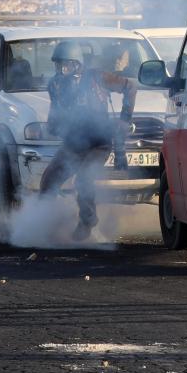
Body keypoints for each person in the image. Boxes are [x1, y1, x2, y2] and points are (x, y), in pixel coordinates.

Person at [40, 40, 137, 242]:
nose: (60, 69)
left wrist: (124, 119)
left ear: (77, 64)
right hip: (73, 142)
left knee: (84, 178)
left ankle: (88, 222)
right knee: (49, 179)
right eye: (58, 65)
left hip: (98, 142)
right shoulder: (55, 85)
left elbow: (130, 87)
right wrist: (53, 125)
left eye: (65, 64)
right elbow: (55, 112)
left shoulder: (97, 77)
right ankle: (43, 222)